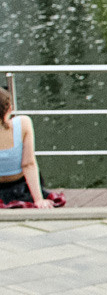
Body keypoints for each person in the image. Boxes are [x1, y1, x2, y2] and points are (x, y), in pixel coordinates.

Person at [0, 77, 63, 208]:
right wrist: (38, 199)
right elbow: (28, 164)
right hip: (21, 188)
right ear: (10, 109)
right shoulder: (23, 123)